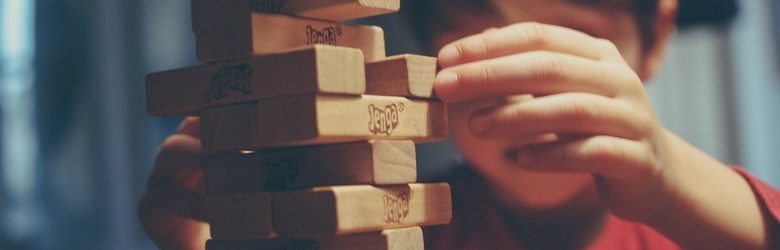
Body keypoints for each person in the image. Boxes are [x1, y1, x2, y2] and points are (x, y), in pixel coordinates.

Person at [138, 0, 780, 249]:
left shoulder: (700, 229)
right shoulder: (398, 227)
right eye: (480, 29)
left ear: (656, 35)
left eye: (571, 42)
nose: (526, 86)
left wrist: (667, 177)